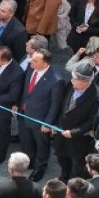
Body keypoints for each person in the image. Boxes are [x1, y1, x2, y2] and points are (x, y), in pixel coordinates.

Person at [19, 48, 65, 181]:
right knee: (26, 142)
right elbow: (26, 90)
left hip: (41, 120)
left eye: (35, 60)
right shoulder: (31, 68)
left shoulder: (56, 80)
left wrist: (48, 122)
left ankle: (40, 168)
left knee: (41, 146)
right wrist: (19, 105)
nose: (30, 61)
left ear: (45, 64)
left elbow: (55, 104)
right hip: (25, 114)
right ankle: (30, 161)